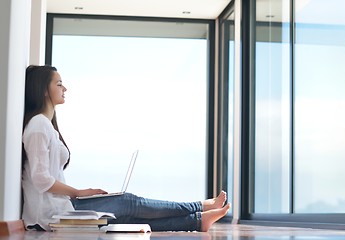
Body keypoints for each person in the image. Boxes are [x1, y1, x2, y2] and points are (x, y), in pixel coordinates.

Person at [21, 65, 230, 232]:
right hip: (53, 214)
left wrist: (78, 195)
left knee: (127, 216)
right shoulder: (38, 125)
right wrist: (78, 192)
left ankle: (196, 221)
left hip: (61, 207)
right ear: (44, 91)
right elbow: (41, 179)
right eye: (59, 84)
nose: (65, 88)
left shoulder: (47, 126)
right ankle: (200, 206)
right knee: (128, 202)